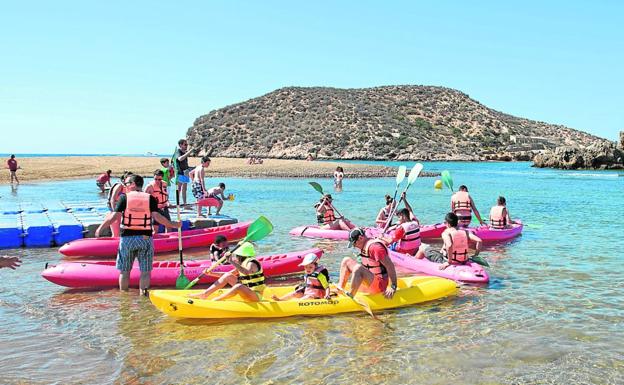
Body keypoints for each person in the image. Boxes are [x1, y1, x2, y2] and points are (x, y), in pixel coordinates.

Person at [95, 174, 181, 295]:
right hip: (145, 239)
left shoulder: (124, 198)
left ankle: (124, 301)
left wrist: (100, 229)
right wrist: (173, 225)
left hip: (127, 239)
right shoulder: (150, 198)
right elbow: (158, 217)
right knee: (145, 272)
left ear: (134, 184)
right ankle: (143, 297)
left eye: (127, 184)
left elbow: (114, 217)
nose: (126, 186)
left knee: (124, 272)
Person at [188, 242, 265, 302]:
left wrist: (231, 261)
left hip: (255, 296)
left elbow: (246, 272)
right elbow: (227, 275)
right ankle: (205, 294)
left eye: (236, 255)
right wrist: (211, 273)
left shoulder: (251, 263)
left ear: (240, 255)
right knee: (228, 275)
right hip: (246, 290)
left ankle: (216, 300)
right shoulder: (242, 263)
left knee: (238, 286)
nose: (235, 256)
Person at [337, 228, 398, 299]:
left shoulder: (375, 248)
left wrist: (393, 286)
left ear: (361, 238)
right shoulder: (365, 245)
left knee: (358, 268)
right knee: (346, 260)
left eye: (354, 243)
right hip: (370, 280)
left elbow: (390, 265)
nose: (354, 246)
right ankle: (340, 289)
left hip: (380, 285)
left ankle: (350, 296)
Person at [144, 170, 171, 234]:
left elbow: (165, 194)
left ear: (162, 178)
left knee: (168, 226)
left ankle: (167, 241)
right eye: (155, 179)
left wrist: (168, 202)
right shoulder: (149, 186)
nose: (157, 181)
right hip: (155, 209)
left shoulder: (164, 184)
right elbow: (144, 198)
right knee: (155, 229)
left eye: (159, 179)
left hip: (164, 207)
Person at [107, 171, 133, 237]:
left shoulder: (130, 188)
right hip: (115, 209)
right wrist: (114, 212)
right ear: (125, 179)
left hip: (124, 211)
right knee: (116, 233)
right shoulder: (119, 186)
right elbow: (112, 199)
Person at [174, 139, 193, 205]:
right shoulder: (178, 152)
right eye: (185, 145)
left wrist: (191, 168)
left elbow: (184, 164)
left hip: (185, 173)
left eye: (187, 145)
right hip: (180, 173)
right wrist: (189, 152)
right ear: (180, 145)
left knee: (184, 189)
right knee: (178, 189)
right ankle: (177, 203)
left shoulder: (184, 152)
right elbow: (180, 159)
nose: (186, 146)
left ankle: (185, 203)